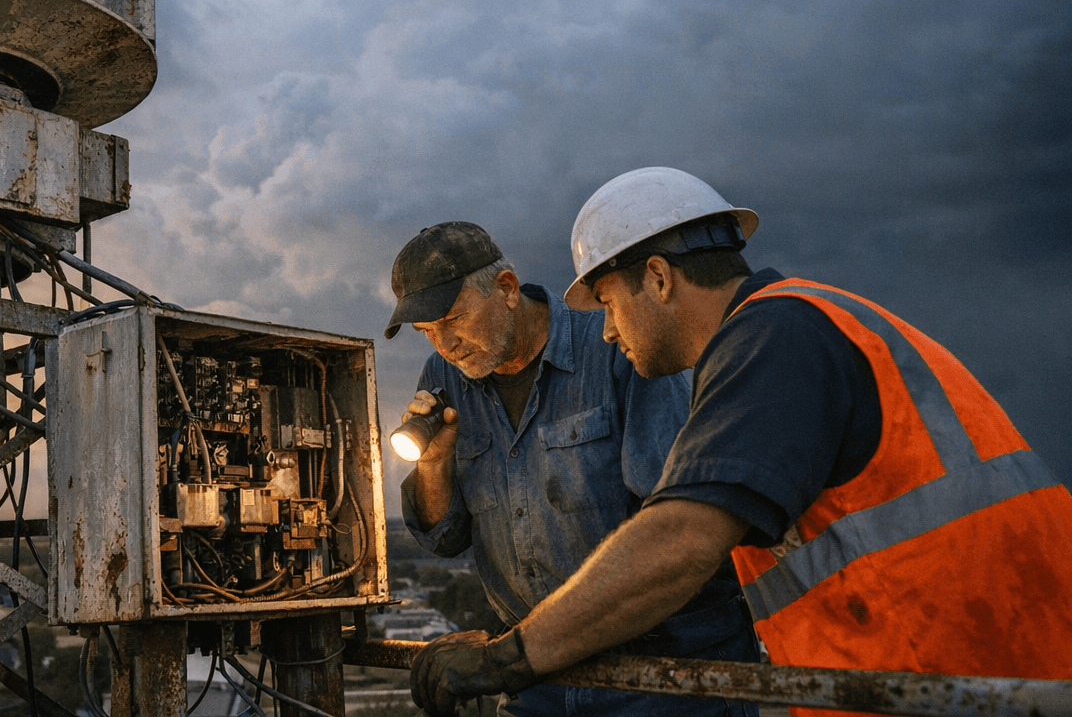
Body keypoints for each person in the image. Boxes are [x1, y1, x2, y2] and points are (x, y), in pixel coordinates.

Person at [409, 170, 1072, 717]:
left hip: (974, 672)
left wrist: (503, 659)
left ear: (661, 279)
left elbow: (680, 541)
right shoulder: (795, 324)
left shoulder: (777, 333)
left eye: (609, 305)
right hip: (951, 669)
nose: (607, 335)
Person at [386, 221, 758, 717]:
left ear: (507, 289)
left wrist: (505, 656)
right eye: (426, 332)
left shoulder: (616, 341)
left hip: (661, 673)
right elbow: (444, 539)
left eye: (454, 319)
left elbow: (678, 533)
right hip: (538, 681)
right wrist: (434, 465)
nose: (444, 345)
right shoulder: (445, 377)